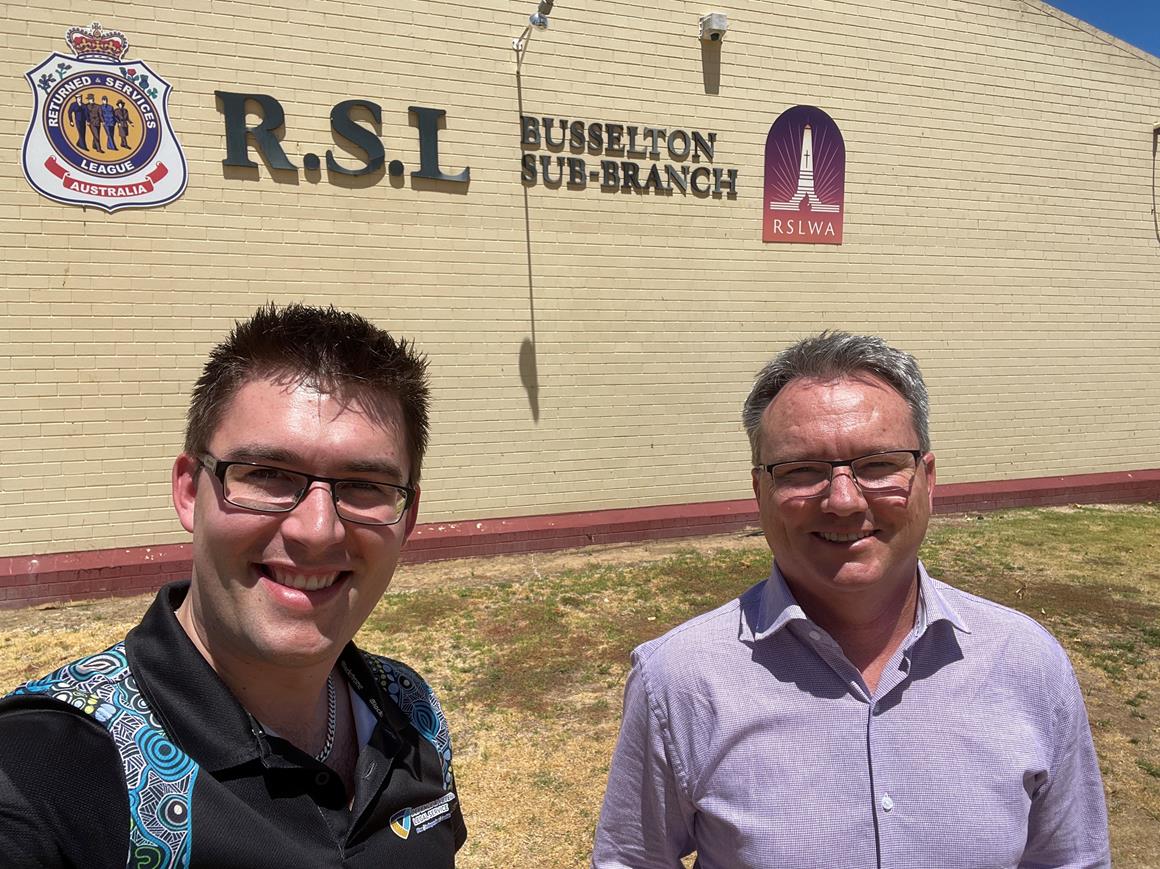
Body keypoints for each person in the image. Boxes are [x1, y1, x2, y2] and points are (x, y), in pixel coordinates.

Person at [592, 332, 1109, 868]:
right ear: (760, 493)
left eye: (879, 464)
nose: (842, 500)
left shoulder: (1028, 662)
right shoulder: (678, 681)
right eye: (801, 470)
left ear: (927, 480)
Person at [0, 304, 467, 867]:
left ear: (407, 520)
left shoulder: (411, 712)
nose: (317, 531)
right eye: (268, 474)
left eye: (365, 485)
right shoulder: (43, 774)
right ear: (190, 493)